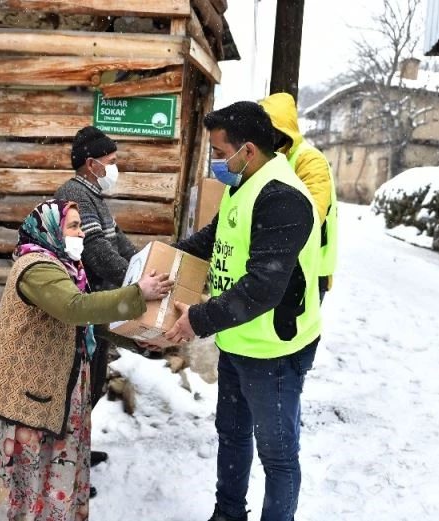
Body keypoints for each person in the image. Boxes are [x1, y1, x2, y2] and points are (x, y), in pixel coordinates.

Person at [0, 199, 173, 521]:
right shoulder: (36, 267)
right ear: (50, 231)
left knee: (40, 482)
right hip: (16, 404)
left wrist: (137, 340)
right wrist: (137, 294)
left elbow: (85, 321)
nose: (81, 234)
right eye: (73, 226)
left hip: (48, 397)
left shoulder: (66, 267)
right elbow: (73, 308)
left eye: (80, 227)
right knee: (13, 489)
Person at [164, 102, 323, 521]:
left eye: (219, 153)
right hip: (237, 339)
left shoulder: (283, 199)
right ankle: (228, 513)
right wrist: (159, 262)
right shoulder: (244, 186)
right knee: (232, 435)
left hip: (274, 350)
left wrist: (198, 320)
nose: (216, 162)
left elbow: (263, 287)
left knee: (278, 454)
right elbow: (209, 241)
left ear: (247, 150)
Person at [54, 126, 139, 479]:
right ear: (92, 164)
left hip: (98, 305)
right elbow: (96, 251)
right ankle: (62, 467)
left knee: (93, 381)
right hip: (81, 308)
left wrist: (144, 262)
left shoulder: (94, 197)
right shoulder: (74, 194)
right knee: (75, 387)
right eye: (111, 161)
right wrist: (135, 281)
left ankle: (76, 452)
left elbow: (117, 241)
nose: (115, 168)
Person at [260, 92, 338, 303]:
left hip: (308, 269)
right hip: (280, 267)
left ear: (281, 131)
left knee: (300, 325)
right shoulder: (271, 159)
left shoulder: (309, 159)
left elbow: (312, 215)